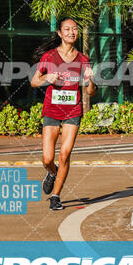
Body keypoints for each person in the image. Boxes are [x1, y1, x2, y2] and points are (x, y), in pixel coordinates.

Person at [31, 17, 96, 211]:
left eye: (74, 29)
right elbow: (34, 81)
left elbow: (91, 91)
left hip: (73, 110)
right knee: (47, 159)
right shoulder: (49, 57)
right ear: (59, 33)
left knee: (65, 154)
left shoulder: (83, 59)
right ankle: (52, 173)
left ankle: (56, 196)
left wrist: (90, 80)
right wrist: (46, 77)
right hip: (52, 109)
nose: (71, 32)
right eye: (67, 29)